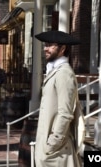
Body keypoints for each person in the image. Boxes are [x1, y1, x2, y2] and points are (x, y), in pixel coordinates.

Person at [34, 30, 82, 167]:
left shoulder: (64, 73)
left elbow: (66, 112)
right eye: (45, 44)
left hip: (57, 152)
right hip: (49, 148)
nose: (45, 48)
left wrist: (53, 143)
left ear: (62, 48)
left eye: (50, 45)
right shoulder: (54, 71)